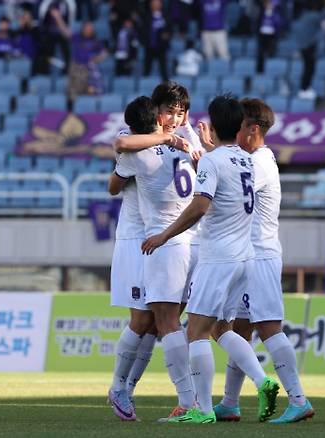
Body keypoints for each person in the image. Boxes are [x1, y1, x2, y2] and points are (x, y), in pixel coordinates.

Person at [142, 95, 280, 424]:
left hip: (218, 257)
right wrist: (210, 149)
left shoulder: (215, 161)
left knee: (196, 332)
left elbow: (201, 205)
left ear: (215, 127)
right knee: (221, 328)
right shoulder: (247, 160)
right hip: (245, 258)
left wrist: (165, 234)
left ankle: (201, 410)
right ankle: (263, 381)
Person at [211, 98, 315, 424]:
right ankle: (230, 403)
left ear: (253, 129)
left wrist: (210, 158)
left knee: (268, 327)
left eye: (239, 127)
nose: (236, 133)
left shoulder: (259, 163)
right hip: (250, 254)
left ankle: (298, 399)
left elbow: (230, 188)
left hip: (259, 255)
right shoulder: (253, 159)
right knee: (238, 329)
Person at [111, 82, 203, 422]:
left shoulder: (186, 137)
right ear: (154, 110)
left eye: (181, 113)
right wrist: (166, 138)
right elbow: (121, 144)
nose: (175, 119)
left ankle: (128, 388)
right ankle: (120, 386)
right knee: (143, 318)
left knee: (156, 322)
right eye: (169, 112)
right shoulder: (139, 136)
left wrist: (195, 146)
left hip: (170, 238)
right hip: (137, 238)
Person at [69, 21, 108, 99]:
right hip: (77, 67)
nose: (89, 30)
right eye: (87, 28)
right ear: (83, 29)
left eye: (91, 29)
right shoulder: (77, 38)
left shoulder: (95, 41)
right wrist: (58, 18)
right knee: (75, 86)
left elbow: (105, 53)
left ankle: (90, 92)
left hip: (89, 67)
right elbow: (66, 33)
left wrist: (97, 58)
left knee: (95, 84)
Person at [38, 0, 74, 73]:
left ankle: (66, 71)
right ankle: (44, 72)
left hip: (63, 32)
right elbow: (42, 20)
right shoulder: (47, 3)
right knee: (44, 51)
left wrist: (60, 21)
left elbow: (70, 22)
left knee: (67, 50)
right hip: (49, 32)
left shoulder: (67, 3)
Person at [141, 0, 171, 81]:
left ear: (161, 4)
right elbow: (143, 30)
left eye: (157, 3)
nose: (155, 5)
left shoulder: (166, 15)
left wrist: (167, 34)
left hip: (162, 46)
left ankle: (166, 86)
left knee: (163, 68)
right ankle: (145, 83)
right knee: (147, 67)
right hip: (149, 45)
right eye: (153, 3)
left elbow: (170, 28)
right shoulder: (146, 15)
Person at [256, 0, 283, 73]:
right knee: (261, 53)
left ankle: (270, 71)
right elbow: (257, 23)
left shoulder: (276, 14)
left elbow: (278, 24)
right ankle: (260, 70)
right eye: (267, 4)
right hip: (262, 35)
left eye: (270, 4)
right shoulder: (261, 13)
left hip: (271, 36)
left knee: (271, 52)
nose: (269, 6)